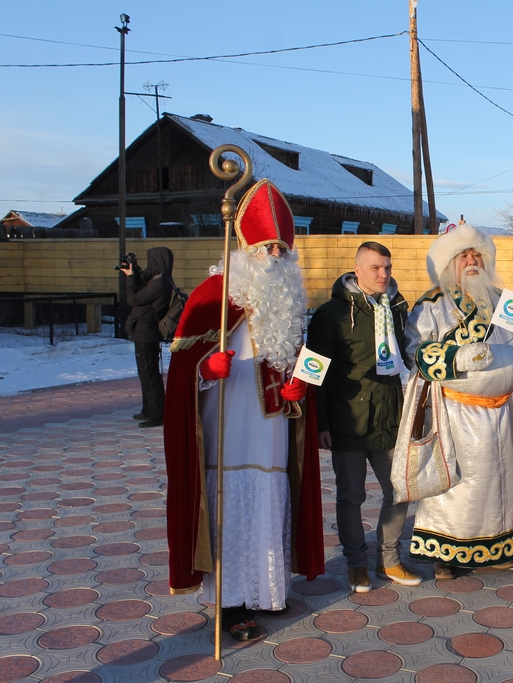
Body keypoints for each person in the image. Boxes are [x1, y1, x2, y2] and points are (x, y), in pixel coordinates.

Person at [163, 179, 324, 641]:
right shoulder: (212, 297)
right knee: (230, 512)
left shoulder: (291, 306)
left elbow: (297, 369)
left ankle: (264, 593)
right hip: (227, 438)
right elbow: (179, 374)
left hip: (271, 439)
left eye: (281, 250)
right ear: (245, 248)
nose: (274, 257)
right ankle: (230, 604)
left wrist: (299, 395)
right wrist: (203, 369)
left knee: (267, 508)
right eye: (266, 248)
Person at [405, 221, 513, 579]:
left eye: (477, 253)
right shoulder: (432, 306)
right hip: (456, 410)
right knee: (459, 485)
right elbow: (413, 352)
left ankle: (497, 548)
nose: (472, 260)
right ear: (449, 263)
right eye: (464, 254)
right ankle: (447, 553)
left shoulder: (504, 302)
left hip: (502, 413)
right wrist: (455, 358)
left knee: (499, 486)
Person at [307, 242, 418, 593]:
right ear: (357, 271)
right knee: (350, 496)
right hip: (348, 418)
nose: (384, 274)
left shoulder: (398, 307)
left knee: (399, 491)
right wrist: (321, 423)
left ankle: (389, 559)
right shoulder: (331, 314)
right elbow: (316, 373)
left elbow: (410, 355)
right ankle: (356, 563)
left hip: (389, 416)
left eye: (387, 266)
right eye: (375, 268)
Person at [120, 247, 173, 428]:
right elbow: (141, 289)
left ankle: (158, 413)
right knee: (145, 373)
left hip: (147, 332)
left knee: (150, 374)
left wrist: (129, 278)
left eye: (151, 261)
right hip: (143, 331)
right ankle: (148, 409)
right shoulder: (159, 281)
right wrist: (134, 272)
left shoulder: (159, 283)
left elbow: (133, 298)